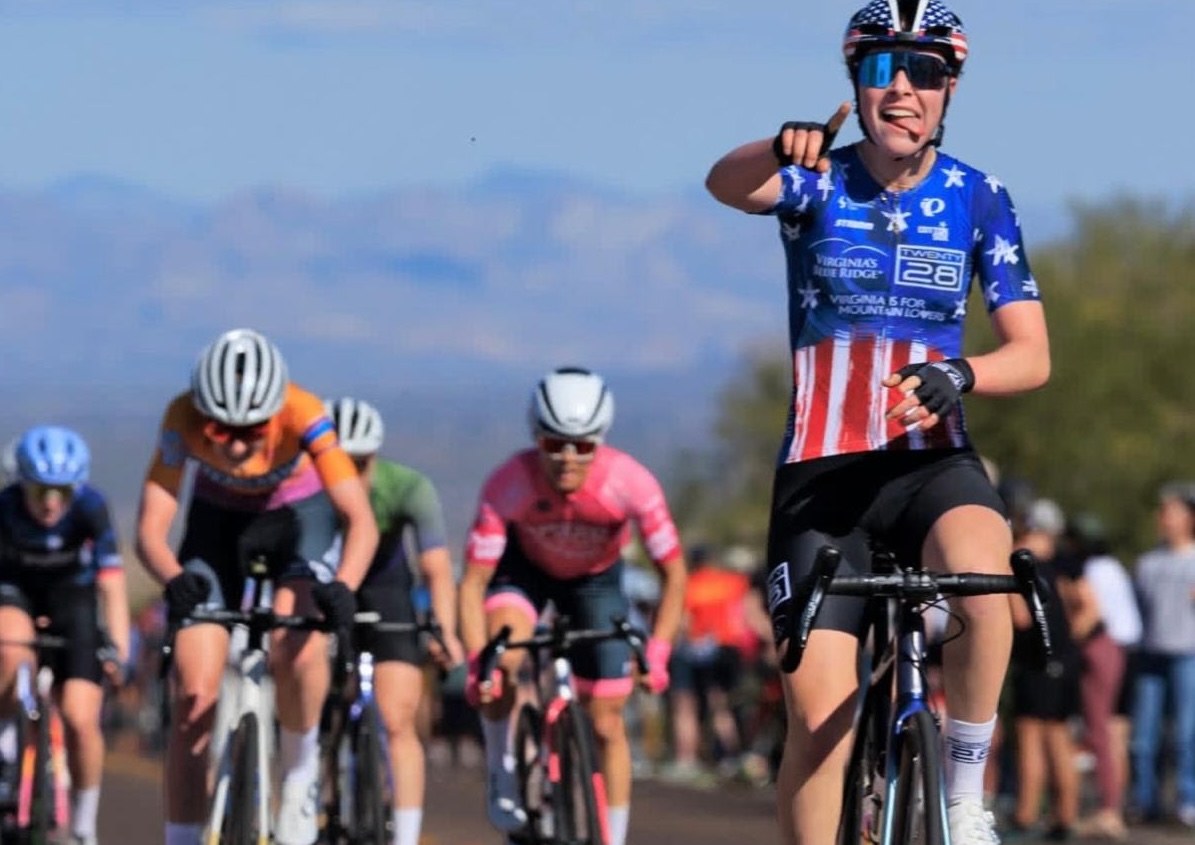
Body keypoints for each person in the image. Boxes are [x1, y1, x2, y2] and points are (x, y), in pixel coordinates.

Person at [704, 1, 1051, 842]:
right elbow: (725, 183)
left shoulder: (978, 196)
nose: (901, 88)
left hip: (930, 463)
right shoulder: (815, 176)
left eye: (924, 71)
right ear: (853, 83)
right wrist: (778, 142)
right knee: (822, 722)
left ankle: (964, 796)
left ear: (950, 87)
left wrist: (957, 371)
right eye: (878, 70)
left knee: (985, 583)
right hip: (822, 477)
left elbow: (1032, 354)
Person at [135, 328, 379, 845]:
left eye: (254, 430)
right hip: (216, 526)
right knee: (193, 695)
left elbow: (360, 520)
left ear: (276, 414)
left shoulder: (305, 411)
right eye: (222, 433)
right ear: (203, 417)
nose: (240, 444)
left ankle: (298, 772)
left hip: (298, 521)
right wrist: (172, 578)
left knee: (298, 652)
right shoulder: (181, 416)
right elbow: (151, 529)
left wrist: (344, 586)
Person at [459, 367, 688, 845]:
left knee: (606, 719)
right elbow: (474, 580)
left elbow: (674, 574)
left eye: (582, 446)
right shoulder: (508, 483)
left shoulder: (632, 483)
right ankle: (503, 770)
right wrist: (480, 661)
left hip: (594, 581)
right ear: (535, 437)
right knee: (504, 658)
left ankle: (614, 837)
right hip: (523, 574)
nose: (567, 458)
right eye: (553, 444)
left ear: (599, 442)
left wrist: (659, 652)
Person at [323, 395, 465, 845]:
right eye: (337, 464)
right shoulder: (306, 491)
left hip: (387, 592)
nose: (348, 476)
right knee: (313, 705)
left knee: (398, 719)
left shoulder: (408, 487)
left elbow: (437, 570)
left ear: (375, 457)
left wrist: (443, 629)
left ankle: (404, 837)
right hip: (326, 589)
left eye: (358, 464)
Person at [0, 425, 130, 845]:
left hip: (72, 598)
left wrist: (120, 650)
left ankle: (84, 824)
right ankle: (5, 748)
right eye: (40, 492)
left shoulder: (92, 507)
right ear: (22, 484)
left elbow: (111, 583)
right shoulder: (4, 508)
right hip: (15, 592)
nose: (52, 503)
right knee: (10, 645)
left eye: (62, 492)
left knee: (79, 714)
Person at [1006, 499, 1080, 840]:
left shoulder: (1017, 564)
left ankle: (1024, 813)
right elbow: (1080, 605)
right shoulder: (1055, 566)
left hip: (1036, 661)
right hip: (1063, 659)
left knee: (1031, 739)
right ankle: (1066, 814)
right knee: (1060, 739)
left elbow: (1021, 618)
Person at [1128, 482, 1195, 827]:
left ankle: (1188, 799)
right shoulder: (1148, 563)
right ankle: (1145, 799)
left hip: (1188, 654)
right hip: (1151, 654)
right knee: (1143, 735)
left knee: (1186, 733)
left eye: (1170, 511)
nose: (1163, 517)